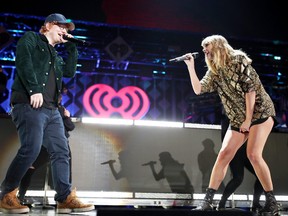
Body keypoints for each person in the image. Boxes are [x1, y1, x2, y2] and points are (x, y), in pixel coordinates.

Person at [0, 13, 94, 214]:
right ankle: (7, 195)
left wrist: (72, 45)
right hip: (29, 105)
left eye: (68, 30)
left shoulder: (56, 57)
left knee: (61, 152)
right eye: (62, 27)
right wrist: (34, 89)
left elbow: (69, 72)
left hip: (52, 111)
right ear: (49, 25)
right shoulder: (31, 39)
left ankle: (64, 198)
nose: (65, 32)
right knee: (31, 149)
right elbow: (23, 61)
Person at [183, 35, 278, 215]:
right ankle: (208, 201)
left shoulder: (238, 59)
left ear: (218, 46)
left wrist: (248, 120)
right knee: (224, 154)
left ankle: (272, 202)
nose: (204, 50)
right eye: (203, 48)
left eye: (207, 46)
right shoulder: (214, 69)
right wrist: (190, 67)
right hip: (237, 117)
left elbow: (250, 91)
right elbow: (198, 89)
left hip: (259, 112)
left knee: (253, 154)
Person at [17, 94, 75, 204]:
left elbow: (70, 127)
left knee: (65, 169)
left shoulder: (61, 109)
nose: (61, 98)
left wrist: (67, 117)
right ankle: (19, 195)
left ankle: (65, 198)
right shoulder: (44, 109)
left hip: (61, 144)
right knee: (30, 167)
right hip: (46, 143)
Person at [218, 113, 263, 212]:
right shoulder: (228, 119)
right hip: (236, 153)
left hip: (247, 152)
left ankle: (255, 204)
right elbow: (226, 139)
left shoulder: (247, 117)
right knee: (238, 178)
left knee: (261, 177)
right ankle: (221, 203)